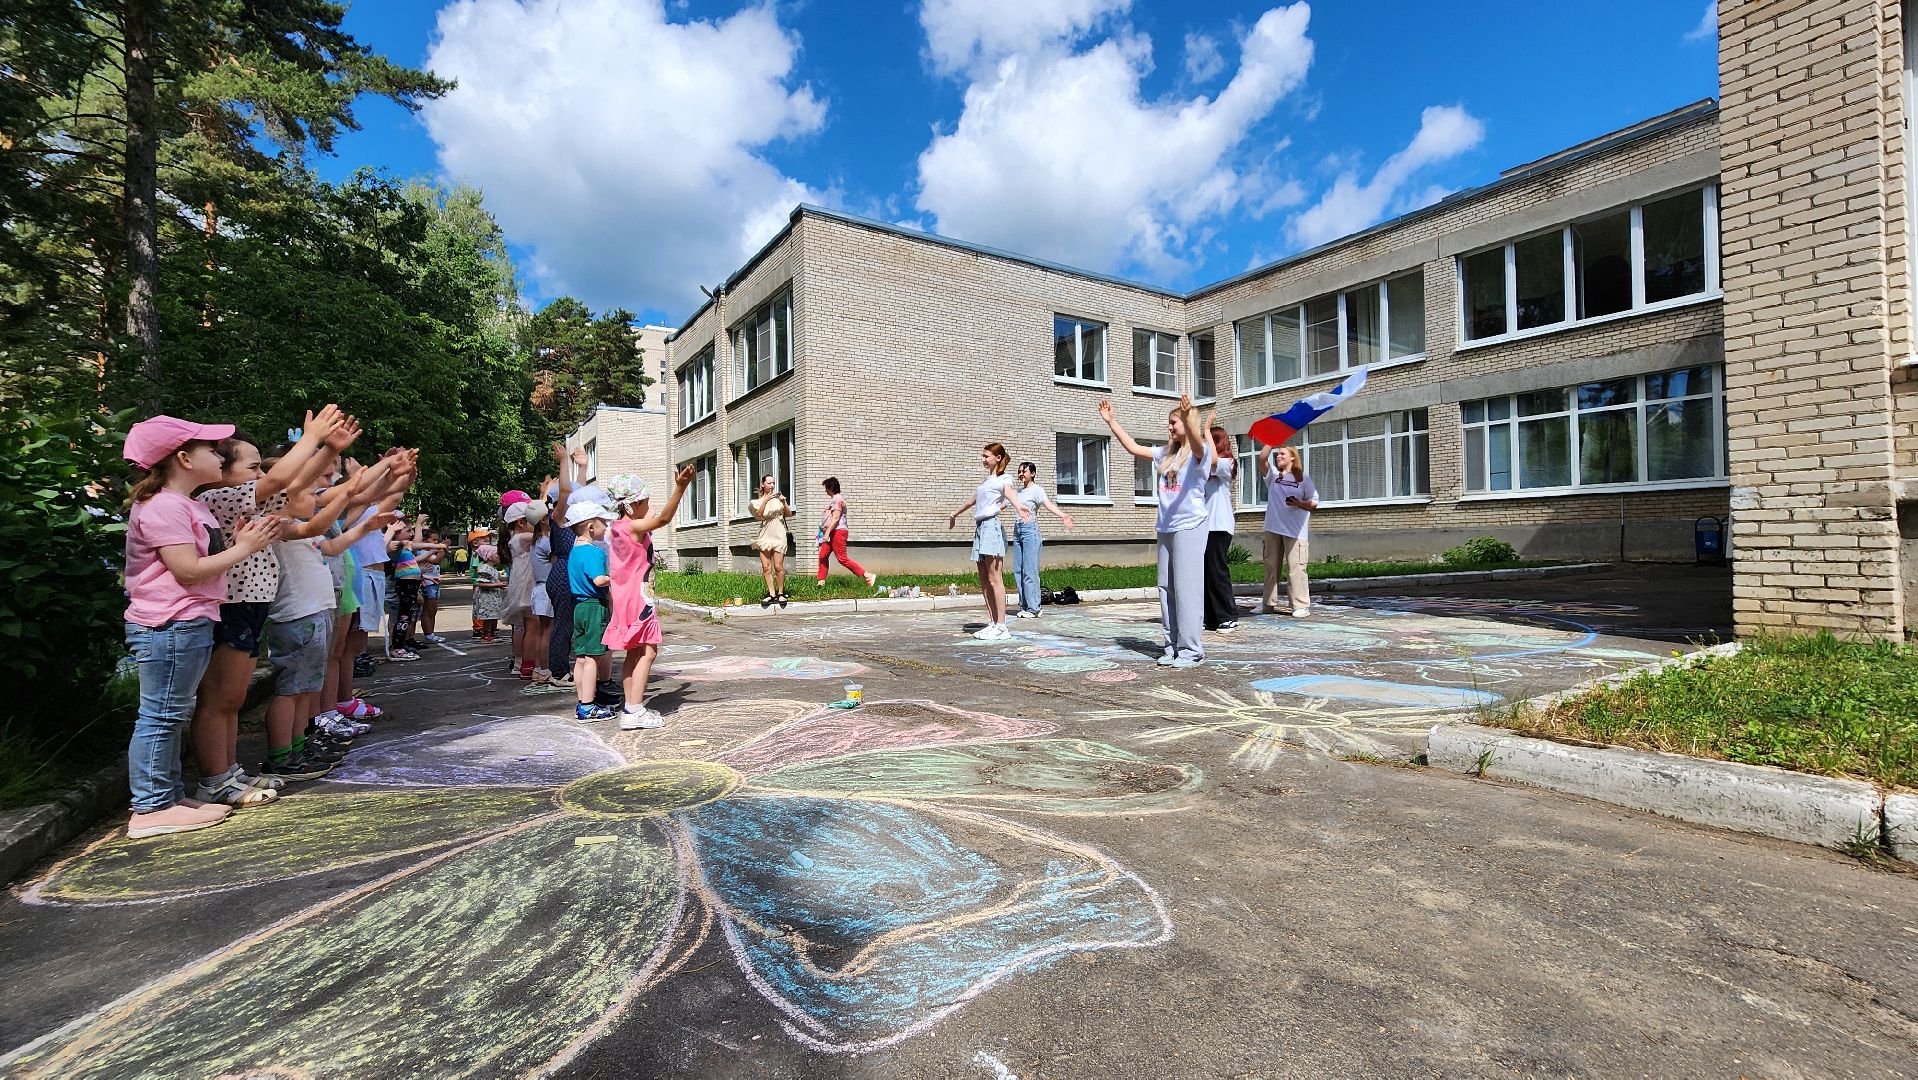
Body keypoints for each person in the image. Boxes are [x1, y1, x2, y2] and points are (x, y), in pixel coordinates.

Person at [120, 416, 279, 837]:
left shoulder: (187, 504)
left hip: (189, 621)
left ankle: (168, 798)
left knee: (172, 713)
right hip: (169, 622)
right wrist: (244, 548)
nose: (220, 456)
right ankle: (151, 808)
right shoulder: (164, 506)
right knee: (161, 715)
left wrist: (240, 543)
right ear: (184, 458)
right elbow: (188, 570)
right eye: (212, 450)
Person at [192, 409, 346, 807]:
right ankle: (215, 778)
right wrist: (313, 439)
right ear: (220, 472)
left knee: (233, 699)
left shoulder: (256, 508)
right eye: (253, 467)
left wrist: (329, 450)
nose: (262, 476)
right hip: (234, 605)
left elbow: (301, 486)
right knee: (220, 698)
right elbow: (282, 479)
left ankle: (228, 772)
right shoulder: (217, 498)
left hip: (253, 606)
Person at [1097, 394, 1213, 667]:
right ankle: (1172, 647)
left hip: (1190, 525)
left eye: (1174, 423)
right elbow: (1135, 448)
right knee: (1167, 588)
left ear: (1187, 423)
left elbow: (1196, 443)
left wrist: (1188, 420)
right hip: (1166, 526)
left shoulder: (1200, 453)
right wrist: (1112, 421)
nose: (1170, 427)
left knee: (1188, 590)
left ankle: (1191, 651)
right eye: (1170, 423)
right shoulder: (1166, 454)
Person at [600, 469, 694, 730]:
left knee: (635, 651)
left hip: (623, 597)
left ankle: (631, 707)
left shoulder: (617, 527)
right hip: (638, 599)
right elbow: (664, 519)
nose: (649, 507)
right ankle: (635, 709)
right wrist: (681, 488)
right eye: (645, 502)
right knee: (649, 651)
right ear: (631, 506)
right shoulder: (633, 526)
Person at [948, 443, 1031, 640]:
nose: (983, 459)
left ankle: (1002, 626)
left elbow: (1010, 493)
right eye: (983, 456)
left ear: (998, 457)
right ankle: (993, 622)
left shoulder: (1005, 479)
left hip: (991, 529)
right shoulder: (987, 481)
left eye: (987, 456)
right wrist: (954, 514)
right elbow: (972, 500)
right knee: (984, 580)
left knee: (995, 579)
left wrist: (1019, 507)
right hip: (980, 529)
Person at [563, 501, 619, 723]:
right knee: (594, 658)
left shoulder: (574, 552)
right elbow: (599, 580)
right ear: (590, 526)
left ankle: (583, 701)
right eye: (603, 522)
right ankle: (588, 706)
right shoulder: (594, 553)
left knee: (581, 658)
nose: (607, 527)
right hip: (594, 606)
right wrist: (619, 576)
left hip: (579, 607)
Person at [543, 445, 591, 694]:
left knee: (574, 623)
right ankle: (558, 672)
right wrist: (564, 462)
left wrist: (582, 467)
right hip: (562, 573)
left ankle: (570, 667)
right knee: (563, 624)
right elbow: (566, 490)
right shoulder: (559, 515)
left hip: (570, 570)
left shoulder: (574, 515)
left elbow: (577, 491)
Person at [1257, 443, 1319, 617]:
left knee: (1296, 567)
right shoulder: (1274, 476)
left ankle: (1300, 605)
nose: (1278, 456)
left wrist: (1298, 503)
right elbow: (1262, 458)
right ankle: (1267, 604)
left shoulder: (1303, 479)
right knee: (1271, 566)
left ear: (1293, 457)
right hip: (1273, 528)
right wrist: (1270, 441)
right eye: (1277, 454)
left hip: (1295, 530)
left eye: (1282, 454)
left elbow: (1314, 502)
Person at [1006, 461, 1074, 619]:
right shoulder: (1017, 492)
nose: (1021, 474)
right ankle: (1024, 606)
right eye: (1019, 472)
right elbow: (1003, 504)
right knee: (1018, 571)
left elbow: (1048, 504)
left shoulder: (1037, 490)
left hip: (1031, 531)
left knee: (1030, 571)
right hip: (1018, 532)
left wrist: (1062, 515)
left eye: (1024, 471)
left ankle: (1035, 608)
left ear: (1033, 474)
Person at [1202, 420, 1240, 633]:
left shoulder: (1227, 463)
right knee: (1205, 572)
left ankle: (1228, 615)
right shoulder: (1206, 466)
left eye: (1208, 441)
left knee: (1217, 571)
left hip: (1219, 524)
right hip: (1204, 526)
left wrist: (1206, 429)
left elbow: (1213, 459)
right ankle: (1212, 617)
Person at [501, 500, 541, 678]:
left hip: (522, 583)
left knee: (523, 626)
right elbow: (544, 535)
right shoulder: (523, 537)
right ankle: (529, 665)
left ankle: (520, 663)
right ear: (521, 522)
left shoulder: (514, 537)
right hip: (528, 585)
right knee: (533, 626)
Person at [816, 476, 877, 588]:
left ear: (831, 488)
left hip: (838, 532)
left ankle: (867, 575)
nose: (825, 491)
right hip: (832, 532)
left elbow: (835, 518)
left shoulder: (837, 499)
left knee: (842, 558)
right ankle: (821, 582)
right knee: (822, 556)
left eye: (826, 488)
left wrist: (827, 533)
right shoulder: (835, 499)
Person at [749, 475, 795, 607]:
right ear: (763, 484)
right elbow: (759, 515)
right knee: (766, 567)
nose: (772, 485)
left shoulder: (778, 499)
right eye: (769, 483)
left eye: (773, 483)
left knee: (778, 566)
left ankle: (780, 593)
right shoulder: (756, 502)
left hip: (779, 534)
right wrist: (765, 501)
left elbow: (789, 514)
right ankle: (771, 594)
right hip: (765, 535)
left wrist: (784, 502)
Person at [471, 543, 505, 641]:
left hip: (493, 596)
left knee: (493, 615)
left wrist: (500, 584)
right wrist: (496, 585)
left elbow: (493, 580)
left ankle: (492, 631)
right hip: (486, 597)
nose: (498, 556)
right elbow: (481, 584)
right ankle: (486, 632)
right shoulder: (484, 569)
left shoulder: (493, 569)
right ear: (488, 557)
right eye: (496, 554)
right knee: (488, 616)